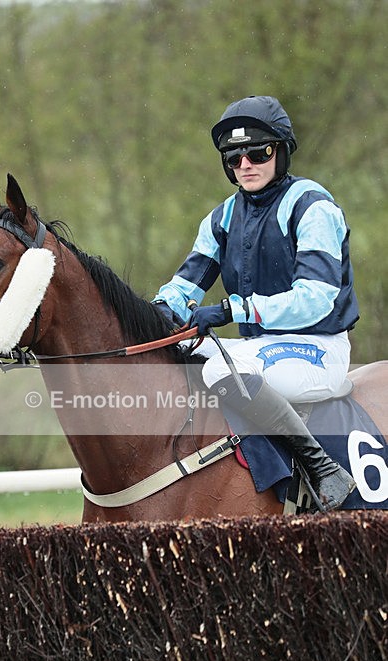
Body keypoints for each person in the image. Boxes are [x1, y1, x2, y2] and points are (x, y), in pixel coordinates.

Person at [152, 95, 358, 511]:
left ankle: (323, 469)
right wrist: (156, 311)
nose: (245, 165)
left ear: (281, 152)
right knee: (176, 354)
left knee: (219, 368)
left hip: (318, 349)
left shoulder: (312, 205)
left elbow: (317, 299)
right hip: (260, 350)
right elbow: (184, 286)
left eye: (258, 153)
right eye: (234, 158)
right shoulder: (222, 217)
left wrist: (234, 310)